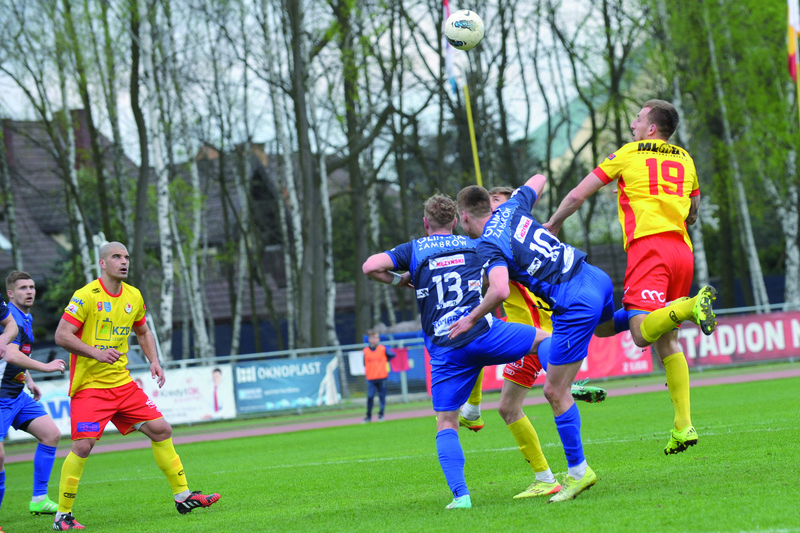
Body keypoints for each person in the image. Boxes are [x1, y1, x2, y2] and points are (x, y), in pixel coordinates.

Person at [543, 99, 716, 455]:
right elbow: (693, 212)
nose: (633, 125)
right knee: (667, 343)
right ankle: (683, 426)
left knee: (640, 335)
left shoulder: (629, 153)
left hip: (648, 250)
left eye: (638, 119)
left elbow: (577, 194)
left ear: (652, 127)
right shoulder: (685, 158)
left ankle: (689, 306)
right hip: (681, 251)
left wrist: (553, 223)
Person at [362, 194, 550, 510]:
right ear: (454, 221)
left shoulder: (414, 250)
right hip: (483, 332)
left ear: (425, 223)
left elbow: (371, 266)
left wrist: (400, 280)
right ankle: (561, 385)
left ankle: (461, 496)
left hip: (447, 350)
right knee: (543, 339)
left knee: (447, 422)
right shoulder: (474, 244)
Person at [452, 175, 615, 503]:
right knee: (609, 328)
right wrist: (550, 221)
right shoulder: (513, 207)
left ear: (465, 216)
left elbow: (498, 289)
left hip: (566, 304)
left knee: (554, 391)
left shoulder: (488, 244)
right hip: (594, 276)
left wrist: (469, 317)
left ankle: (579, 473)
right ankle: (678, 311)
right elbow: (539, 178)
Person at [51, 242, 220, 530]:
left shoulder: (133, 295)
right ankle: (62, 516)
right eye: (117, 257)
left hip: (123, 384)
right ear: (103, 263)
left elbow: (142, 330)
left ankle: (183, 497)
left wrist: (154, 360)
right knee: (83, 445)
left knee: (161, 429)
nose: (124, 261)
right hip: (91, 386)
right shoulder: (86, 296)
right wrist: (96, 352)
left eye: (127, 257)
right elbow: (61, 335)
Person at [0, 271, 66, 517]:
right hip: (1, 397)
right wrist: (46, 367)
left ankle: (39, 498)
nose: (29, 291)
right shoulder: (9, 318)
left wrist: (29, 380)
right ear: (10, 293)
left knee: (51, 434)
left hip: (17, 395)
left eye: (31, 287)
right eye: (22, 288)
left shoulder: (26, 316)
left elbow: (19, 354)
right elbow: (11, 354)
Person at [362, 330, 395, 423]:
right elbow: (364, 363)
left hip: (382, 377)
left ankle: (381, 415)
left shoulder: (383, 349)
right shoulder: (366, 351)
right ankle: (368, 416)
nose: (375, 339)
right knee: (370, 397)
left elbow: (392, 355)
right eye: (373, 338)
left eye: (376, 337)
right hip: (371, 378)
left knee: (382, 396)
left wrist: (384, 361)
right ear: (369, 339)